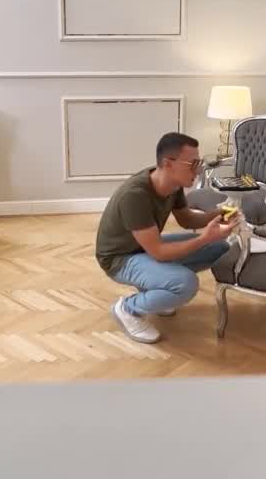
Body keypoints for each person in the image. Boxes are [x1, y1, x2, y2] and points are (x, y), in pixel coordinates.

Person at [95, 132, 239, 343]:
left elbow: (187, 220)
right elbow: (159, 253)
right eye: (193, 163)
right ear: (168, 163)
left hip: (143, 249)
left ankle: (156, 290)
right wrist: (204, 238)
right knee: (185, 283)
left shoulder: (172, 184)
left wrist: (221, 213)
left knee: (219, 248)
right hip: (120, 259)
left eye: (198, 162)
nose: (198, 169)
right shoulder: (135, 196)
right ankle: (127, 309)